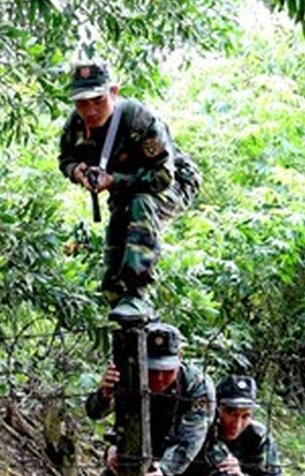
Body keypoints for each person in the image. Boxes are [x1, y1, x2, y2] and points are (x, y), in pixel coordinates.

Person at [58, 60, 200, 322]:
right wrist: (76, 170)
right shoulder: (76, 125)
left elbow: (162, 177)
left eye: (98, 100)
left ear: (113, 92)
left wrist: (113, 181)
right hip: (125, 192)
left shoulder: (140, 120)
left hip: (173, 182)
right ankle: (128, 321)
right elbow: (65, 159)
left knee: (141, 203)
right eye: (81, 102)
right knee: (113, 276)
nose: (90, 110)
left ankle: (138, 294)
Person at [78, 323, 215, 476]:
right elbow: (95, 412)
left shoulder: (197, 385)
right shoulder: (129, 374)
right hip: (137, 454)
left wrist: (163, 469)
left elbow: (190, 440)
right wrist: (105, 392)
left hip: (189, 467)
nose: (159, 378)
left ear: (180, 357)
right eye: (152, 370)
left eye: (166, 370)